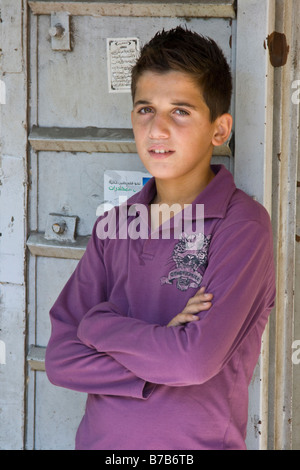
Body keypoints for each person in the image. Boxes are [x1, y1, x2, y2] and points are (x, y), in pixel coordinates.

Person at [45, 27, 276, 450]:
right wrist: (160, 351)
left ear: (219, 130)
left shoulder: (242, 226)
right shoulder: (114, 225)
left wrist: (99, 326)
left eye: (181, 111)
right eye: (145, 109)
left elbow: (193, 360)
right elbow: (60, 360)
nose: (157, 129)